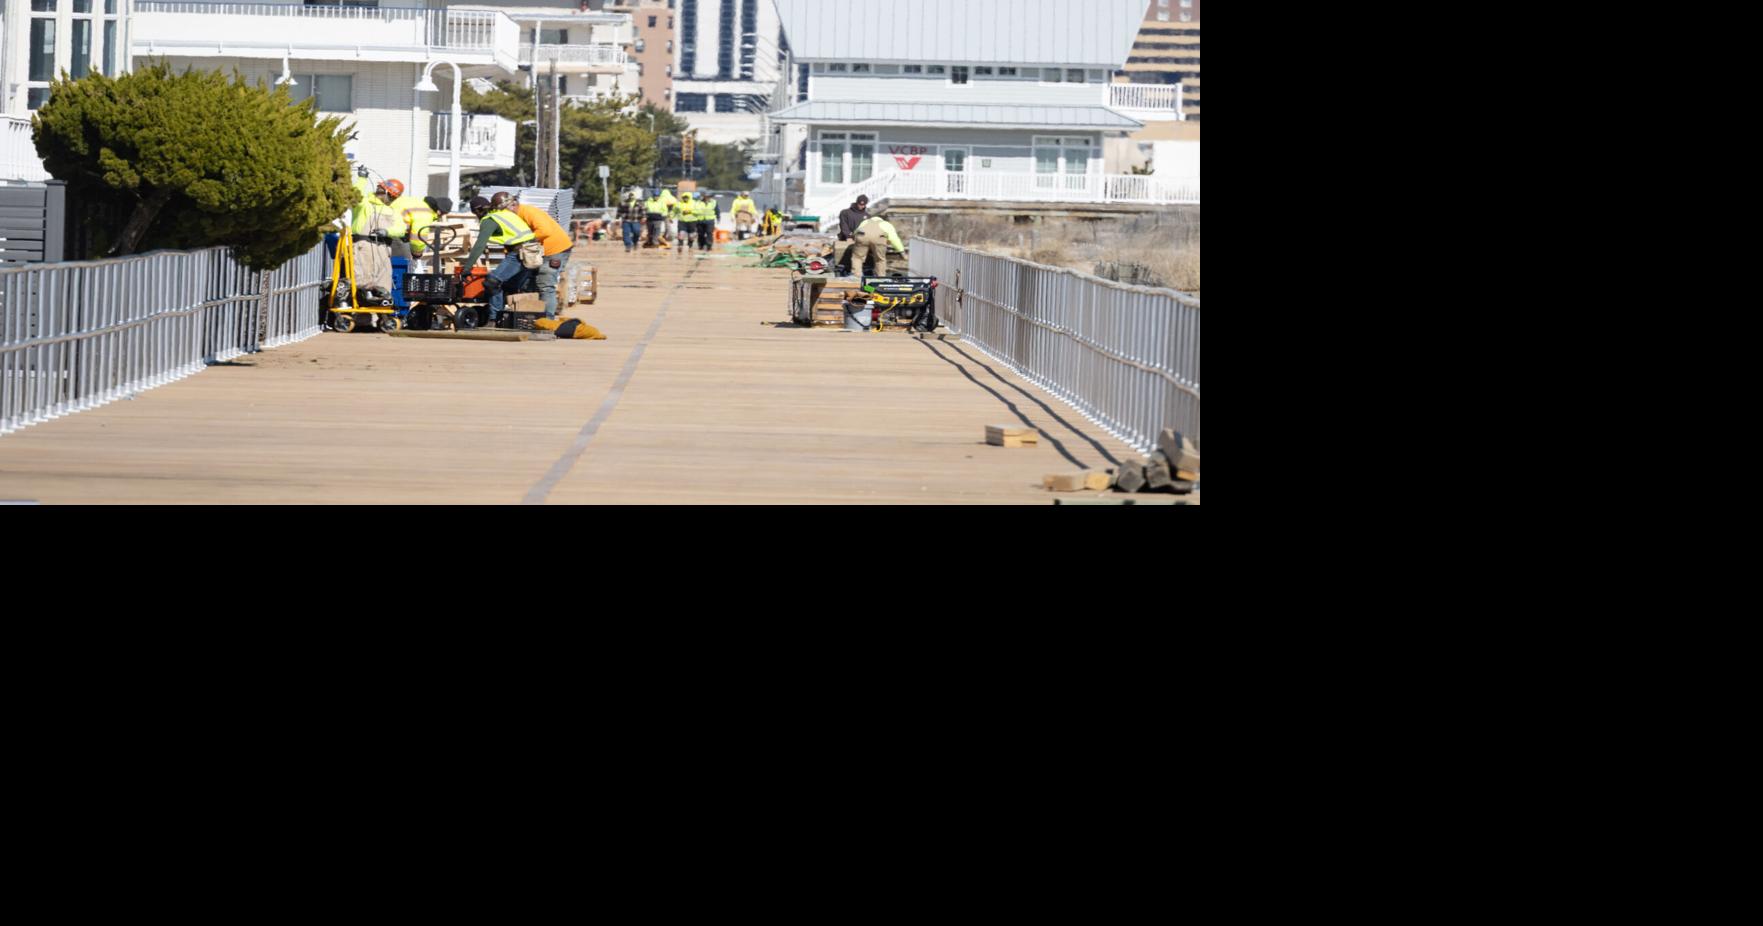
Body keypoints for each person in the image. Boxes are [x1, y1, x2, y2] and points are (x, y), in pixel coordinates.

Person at [460, 195, 538, 326]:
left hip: (520, 253)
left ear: (478, 211)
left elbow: (479, 245)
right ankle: (508, 319)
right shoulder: (504, 214)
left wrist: (467, 268)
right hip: (533, 252)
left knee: (492, 282)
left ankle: (494, 319)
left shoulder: (489, 220)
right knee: (510, 286)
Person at [501, 192, 574, 319]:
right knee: (528, 284)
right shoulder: (512, 217)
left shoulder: (528, 212)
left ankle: (547, 320)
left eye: (502, 210)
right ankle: (532, 316)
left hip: (554, 250)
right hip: (537, 252)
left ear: (512, 205)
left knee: (545, 284)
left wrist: (524, 241)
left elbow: (544, 231)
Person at [380, 179, 437, 265]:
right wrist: (417, 253)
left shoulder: (409, 203)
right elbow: (418, 234)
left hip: (389, 239)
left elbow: (418, 233)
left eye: (380, 192)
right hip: (394, 239)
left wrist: (416, 252)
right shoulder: (422, 209)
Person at [848, 213, 905, 279]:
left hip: (862, 236)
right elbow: (894, 239)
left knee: (857, 258)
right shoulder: (886, 224)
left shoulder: (865, 222)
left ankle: (856, 277)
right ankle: (880, 278)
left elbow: (855, 233)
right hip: (879, 238)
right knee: (880, 260)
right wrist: (901, 250)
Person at [835, 195, 869, 274]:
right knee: (846, 259)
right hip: (846, 239)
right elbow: (843, 225)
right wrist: (848, 236)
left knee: (858, 259)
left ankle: (858, 274)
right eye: (860, 204)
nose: (861, 206)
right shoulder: (845, 212)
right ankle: (845, 272)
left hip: (860, 240)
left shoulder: (867, 216)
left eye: (863, 205)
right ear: (856, 202)